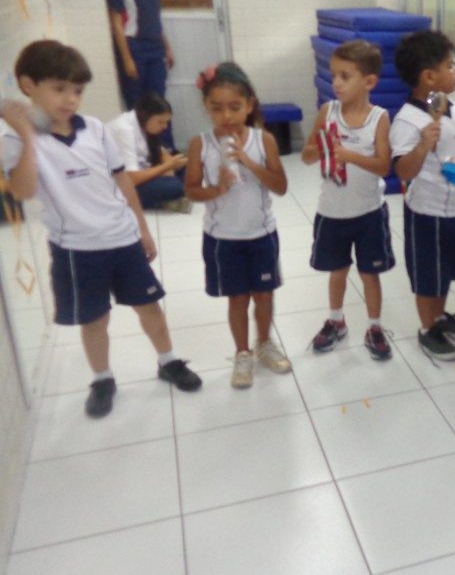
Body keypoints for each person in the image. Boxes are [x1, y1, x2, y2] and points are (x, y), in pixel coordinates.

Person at [0, 40, 201, 417]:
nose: (70, 99)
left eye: (76, 91)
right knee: (95, 319)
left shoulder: (94, 129)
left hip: (121, 238)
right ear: (28, 85)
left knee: (150, 307)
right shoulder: (14, 141)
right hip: (76, 249)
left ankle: (168, 361)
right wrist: (28, 136)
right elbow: (23, 191)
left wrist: (141, 228)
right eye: (59, 89)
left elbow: (123, 181)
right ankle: (103, 378)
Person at [184, 62, 290, 389]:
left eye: (234, 107)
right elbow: (190, 190)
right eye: (217, 108)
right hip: (222, 239)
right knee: (237, 299)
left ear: (249, 106)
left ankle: (264, 342)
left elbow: (280, 186)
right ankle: (242, 353)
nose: (226, 116)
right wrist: (216, 188)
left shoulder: (264, 140)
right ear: (206, 108)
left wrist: (248, 161)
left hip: (261, 234)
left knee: (265, 295)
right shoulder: (200, 144)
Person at [302, 40, 395, 360]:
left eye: (345, 76)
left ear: (369, 82)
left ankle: (374, 326)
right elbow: (306, 157)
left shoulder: (379, 118)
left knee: (370, 274)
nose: (336, 83)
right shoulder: (327, 112)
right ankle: (336, 320)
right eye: (334, 76)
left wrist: (350, 154)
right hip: (331, 211)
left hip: (368, 212)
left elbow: (384, 165)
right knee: (337, 271)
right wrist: (322, 147)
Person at [390, 30, 455, 362]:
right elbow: (403, 172)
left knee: (447, 271)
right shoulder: (408, 121)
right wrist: (423, 145)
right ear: (429, 76)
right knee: (428, 276)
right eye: (450, 66)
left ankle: (440, 317)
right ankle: (428, 329)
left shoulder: (451, 106)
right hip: (428, 214)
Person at [98, 0, 174, 112]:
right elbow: (116, 25)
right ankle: (140, 141)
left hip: (155, 49)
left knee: (159, 102)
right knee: (138, 106)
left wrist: (167, 47)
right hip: (134, 48)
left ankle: (163, 141)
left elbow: (154, 18)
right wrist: (127, 60)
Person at [105, 92, 190, 212]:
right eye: (160, 122)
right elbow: (131, 178)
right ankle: (167, 198)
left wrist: (170, 167)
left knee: (188, 169)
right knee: (176, 186)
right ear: (146, 116)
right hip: (120, 185)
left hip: (141, 172)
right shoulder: (124, 130)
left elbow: (162, 153)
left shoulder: (144, 124)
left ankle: (168, 197)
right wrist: (167, 167)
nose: (165, 127)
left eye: (166, 122)